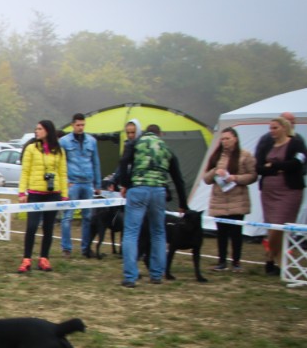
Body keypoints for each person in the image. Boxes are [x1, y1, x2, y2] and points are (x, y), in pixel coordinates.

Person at [117, 122, 188, 287]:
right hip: (158, 191)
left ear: (144, 133)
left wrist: (125, 184)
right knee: (158, 232)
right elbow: (178, 179)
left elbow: (123, 162)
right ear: (160, 134)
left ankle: (130, 277)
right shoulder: (166, 148)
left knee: (131, 233)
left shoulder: (135, 143)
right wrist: (183, 203)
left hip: (138, 189)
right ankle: (156, 274)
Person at [255, 116, 306, 275]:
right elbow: (259, 167)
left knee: (280, 225)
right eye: (270, 128)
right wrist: (278, 168)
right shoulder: (266, 143)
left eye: (275, 128)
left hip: (289, 191)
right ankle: (274, 263)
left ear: (284, 128)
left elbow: (297, 163)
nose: (272, 131)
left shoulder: (296, 143)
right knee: (271, 226)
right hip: (269, 192)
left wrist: (274, 165)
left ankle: (270, 257)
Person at [202, 127, 257, 272]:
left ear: (235, 139)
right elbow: (206, 179)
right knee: (221, 233)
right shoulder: (216, 156)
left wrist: (235, 178)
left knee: (236, 233)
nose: (224, 141)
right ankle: (221, 261)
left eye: (227, 138)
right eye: (222, 139)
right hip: (219, 201)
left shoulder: (245, 155)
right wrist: (215, 171)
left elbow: (253, 176)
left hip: (237, 200)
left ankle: (236, 262)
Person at [17, 120, 68, 272]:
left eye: (39, 129)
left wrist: (64, 195)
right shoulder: (31, 148)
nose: (36, 131)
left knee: (48, 227)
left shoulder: (59, 151)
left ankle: (44, 258)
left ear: (47, 130)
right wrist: (22, 192)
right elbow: (25, 171)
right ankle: (26, 259)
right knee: (32, 226)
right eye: (36, 129)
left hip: (53, 194)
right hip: (35, 193)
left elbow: (62, 173)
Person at [58, 113, 101, 258]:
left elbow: (96, 162)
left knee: (88, 217)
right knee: (67, 216)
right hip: (72, 183)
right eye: (78, 125)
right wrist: (64, 182)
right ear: (72, 125)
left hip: (88, 183)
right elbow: (60, 164)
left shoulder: (92, 141)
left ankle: (85, 248)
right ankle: (66, 248)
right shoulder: (64, 142)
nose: (81, 127)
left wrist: (98, 184)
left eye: (83, 125)